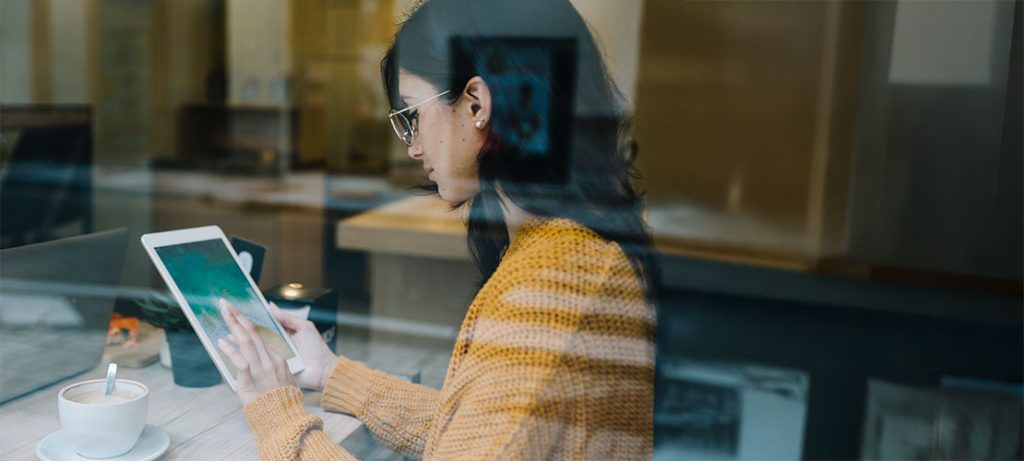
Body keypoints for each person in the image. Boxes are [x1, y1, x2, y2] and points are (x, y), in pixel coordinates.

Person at [217, 0, 658, 459]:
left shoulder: (549, 293)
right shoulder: (572, 253)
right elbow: (480, 431)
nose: (413, 147)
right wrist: (332, 374)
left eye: (412, 115)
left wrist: (277, 413)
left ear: (476, 103)